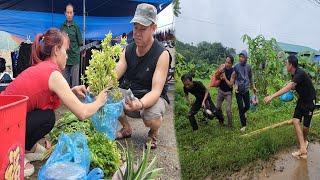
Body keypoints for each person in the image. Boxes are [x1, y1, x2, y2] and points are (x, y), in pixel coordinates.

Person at [1, 28, 108, 177]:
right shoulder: (53, 74)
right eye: (66, 50)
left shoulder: (44, 68)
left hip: (6, 121)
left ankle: (27, 148)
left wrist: (72, 90)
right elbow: (82, 113)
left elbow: (42, 92)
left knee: (46, 116)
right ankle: (16, 154)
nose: (67, 55)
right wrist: (100, 101)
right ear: (57, 50)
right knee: (48, 118)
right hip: (4, 129)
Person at [115, 3, 170, 149]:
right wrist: (97, 86)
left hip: (151, 98)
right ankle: (126, 128)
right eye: (135, 28)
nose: (137, 33)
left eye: (143, 29)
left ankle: (153, 133)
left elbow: (156, 91)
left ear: (153, 28)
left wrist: (140, 104)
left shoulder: (162, 54)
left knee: (150, 116)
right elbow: (114, 75)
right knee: (108, 94)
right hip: (132, 95)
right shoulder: (128, 49)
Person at [264, 55, 316, 159]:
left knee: (305, 127)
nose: (285, 65)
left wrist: (271, 96)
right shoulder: (295, 74)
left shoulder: (300, 73)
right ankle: (303, 148)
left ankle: (304, 144)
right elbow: (292, 85)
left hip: (310, 101)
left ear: (291, 65)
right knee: (296, 120)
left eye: (286, 63)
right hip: (302, 100)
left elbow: (289, 87)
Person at [231, 50, 257, 131]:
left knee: (248, 106)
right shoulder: (236, 66)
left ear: (246, 58)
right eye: (240, 57)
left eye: (242, 57)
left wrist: (253, 87)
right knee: (241, 107)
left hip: (246, 89)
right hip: (238, 90)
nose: (241, 58)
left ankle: (242, 112)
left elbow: (250, 77)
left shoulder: (249, 67)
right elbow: (233, 77)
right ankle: (243, 125)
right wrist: (235, 86)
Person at [60, 3, 83, 87]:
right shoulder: (62, 27)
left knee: (75, 85)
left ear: (73, 14)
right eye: (67, 12)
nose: (69, 15)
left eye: (71, 12)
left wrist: (81, 52)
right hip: (64, 59)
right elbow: (60, 43)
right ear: (65, 13)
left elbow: (80, 43)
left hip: (74, 59)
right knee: (64, 84)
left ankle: (75, 100)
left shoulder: (76, 27)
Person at [215, 56, 235, 127]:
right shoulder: (222, 68)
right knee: (217, 108)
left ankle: (230, 125)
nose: (226, 64)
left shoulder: (233, 72)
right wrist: (219, 73)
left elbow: (230, 85)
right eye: (226, 62)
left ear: (232, 64)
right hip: (220, 91)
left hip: (228, 93)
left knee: (228, 110)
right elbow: (216, 77)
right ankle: (221, 121)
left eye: (229, 63)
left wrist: (224, 76)